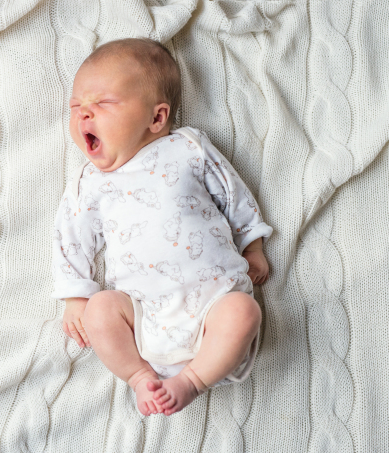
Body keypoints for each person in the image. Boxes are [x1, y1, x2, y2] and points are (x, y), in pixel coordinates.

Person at [50, 38, 273, 416]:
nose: (83, 114)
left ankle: (191, 381)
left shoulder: (187, 148)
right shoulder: (89, 183)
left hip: (213, 308)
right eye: (76, 107)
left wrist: (252, 245)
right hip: (143, 318)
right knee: (100, 309)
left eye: (102, 103)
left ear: (157, 117)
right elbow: (70, 237)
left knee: (245, 311)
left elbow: (232, 192)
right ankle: (140, 378)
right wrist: (76, 296)